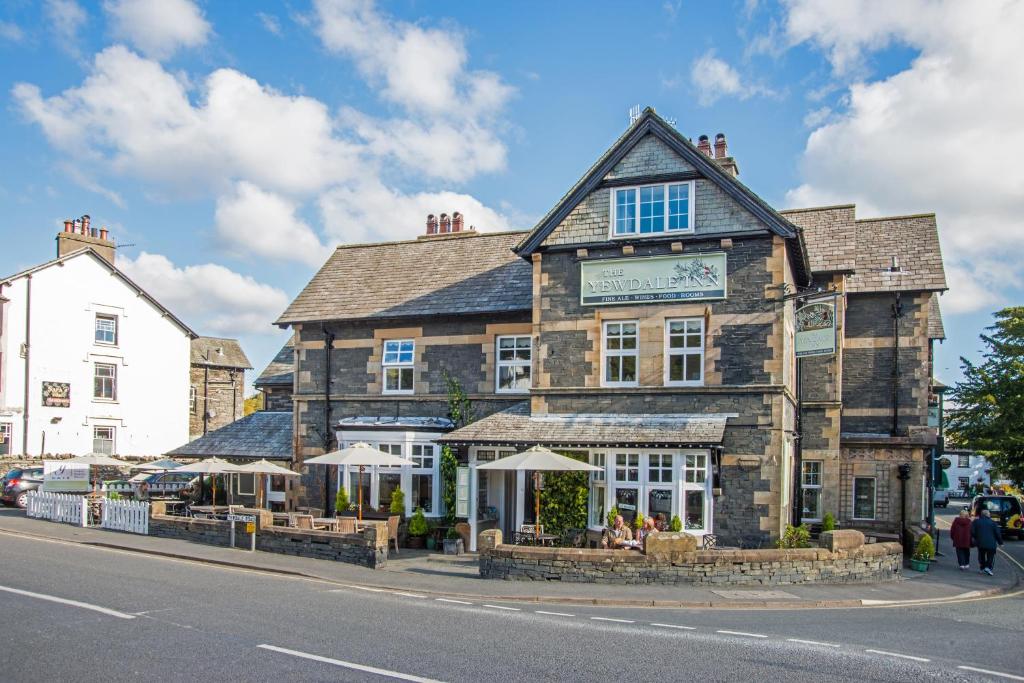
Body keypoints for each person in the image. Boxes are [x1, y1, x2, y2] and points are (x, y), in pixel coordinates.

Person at [971, 508, 1004, 575]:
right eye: (989, 513)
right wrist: (1000, 543)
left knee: (981, 555)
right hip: (991, 543)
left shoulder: (976, 522)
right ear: (987, 515)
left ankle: (982, 567)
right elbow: (997, 533)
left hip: (980, 542)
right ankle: (988, 568)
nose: (990, 514)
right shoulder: (993, 523)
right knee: (991, 556)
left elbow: (972, 531)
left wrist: (976, 537)